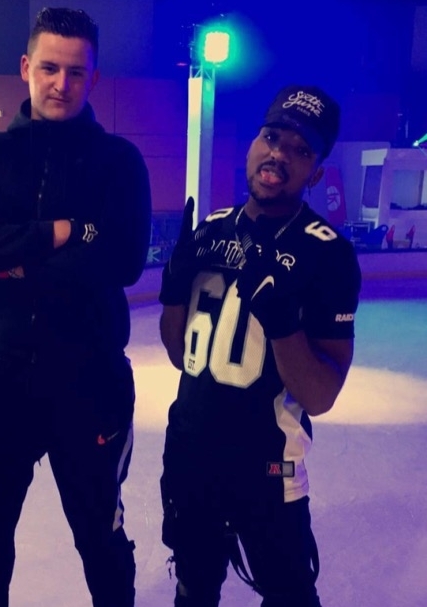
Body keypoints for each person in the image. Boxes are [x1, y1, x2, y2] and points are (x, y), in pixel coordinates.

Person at [0, 8, 151, 607]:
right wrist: (59, 233)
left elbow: (123, 261)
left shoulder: (120, 162)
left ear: (94, 78)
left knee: (101, 535)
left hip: (90, 384)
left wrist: (13, 255)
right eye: (50, 68)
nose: (62, 84)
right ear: (25, 68)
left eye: (77, 72)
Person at [158, 84, 361, 607]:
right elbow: (181, 355)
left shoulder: (329, 255)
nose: (279, 154)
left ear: (315, 172)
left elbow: (320, 396)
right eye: (272, 137)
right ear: (253, 143)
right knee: (193, 591)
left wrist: (282, 324)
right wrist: (173, 291)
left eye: (300, 149)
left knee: (290, 596)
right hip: (190, 457)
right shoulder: (210, 232)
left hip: (268, 471)